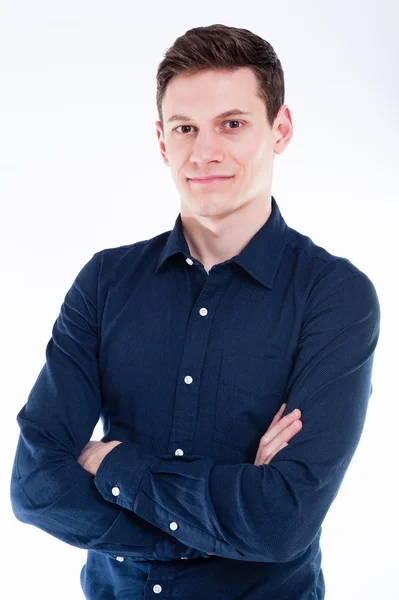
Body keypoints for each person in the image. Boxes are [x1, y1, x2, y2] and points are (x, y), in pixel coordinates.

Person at [10, 23, 380, 600]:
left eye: (232, 124)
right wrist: (225, 522)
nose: (205, 152)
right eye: (185, 128)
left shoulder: (335, 296)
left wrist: (114, 468)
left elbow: (283, 521)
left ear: (279, 129)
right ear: (162, 141)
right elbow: (35, 486)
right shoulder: (106, 282)